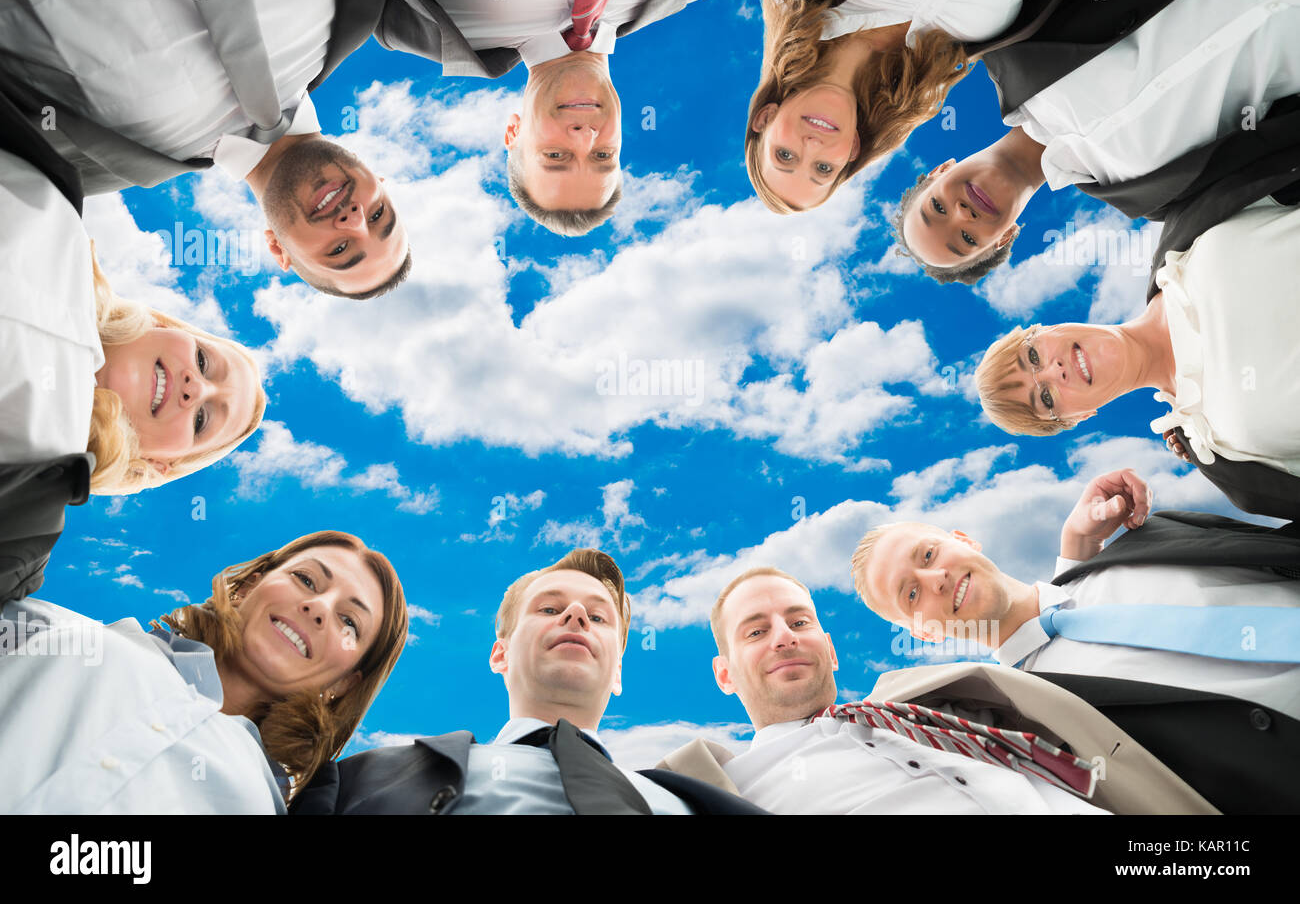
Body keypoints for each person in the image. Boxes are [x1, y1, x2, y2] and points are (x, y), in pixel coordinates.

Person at [850, 469, 1300, 812]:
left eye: (928, 554)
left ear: (965, 540)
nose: (936, 578)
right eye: (911, 593)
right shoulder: (1046, 730)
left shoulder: (1148, 537)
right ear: (924, 632)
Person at [0, 0, 411, 299]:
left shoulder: (75, 162)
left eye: (339, 249)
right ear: (381, 180)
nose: (355, 218)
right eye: (378, 216)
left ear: (278, 250)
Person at [660, 563, 1201, 812]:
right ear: (724, 673)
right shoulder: (724, 792)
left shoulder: (942, 706)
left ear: (830, 647)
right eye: (756, 631)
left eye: (799, 622)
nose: (783, 637)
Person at [896, 0, 1298, 279]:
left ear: (940, 171)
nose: (961, 214)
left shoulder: (1015, 42)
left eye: (938, 208)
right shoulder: (1151, 195)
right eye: (966, 240)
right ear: (1004, 239)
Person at [292, 548, 763, 814]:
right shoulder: (355, 780)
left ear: (617, 672)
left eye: (598, 617)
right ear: (500, 653)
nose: (576, 614)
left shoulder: (704, 805)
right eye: (550, 609)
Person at [0, 530, 409, 813]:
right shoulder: (64, 635)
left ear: (343, 682)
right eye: (306, 579)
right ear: (249, 585)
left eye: (349, 622)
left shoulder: (259, 803)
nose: (319, 608)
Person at [973, 197, 1300, 520]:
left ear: (1045, 328)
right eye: (1045, 397)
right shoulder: (1223, 456)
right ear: (1079, 417)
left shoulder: (1188, 227)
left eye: (1033, 356)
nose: (1053, 371)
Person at [378, 0, 741, 236]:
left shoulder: (415, 17)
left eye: (555, 155)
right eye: (603, 156)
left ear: (513, 133)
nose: (585, 137)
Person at [0, 147, 267, 495]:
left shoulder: (25, 506)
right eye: (202, 360)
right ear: (162, 326)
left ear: (155, 463)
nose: (196, 388)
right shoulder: (53, 217)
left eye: (201, 420)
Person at [741, 0, 1076, 214]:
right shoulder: (945, 59)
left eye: (784, 155)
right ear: (853, 150)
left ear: (764, 117)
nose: (812, 147)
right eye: (824, 169)